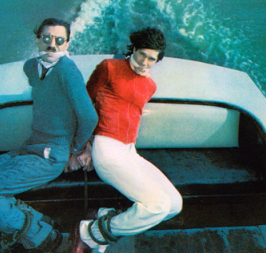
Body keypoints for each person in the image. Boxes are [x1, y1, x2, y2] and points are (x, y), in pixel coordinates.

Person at [0, 18, 98, 253]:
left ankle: (42, 236)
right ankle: (36, 220)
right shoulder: (31, 67)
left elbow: (89, 117)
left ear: (67, 43)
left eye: (59, 40)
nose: (52, 44)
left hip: (50, 156)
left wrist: (75, 150)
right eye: (46, 38)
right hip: (29, 146)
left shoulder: (67, 71)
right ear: (38, 39)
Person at [71, 28, 183, 253]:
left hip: (130, 152)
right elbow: (84, 106)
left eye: (151, 59)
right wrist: (83, 145)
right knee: (157, 206)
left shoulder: (150, 85)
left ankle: (104, 220)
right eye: (142, 55)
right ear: (134, 49)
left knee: (173, 205)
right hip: (106, 148)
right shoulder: (109, 68)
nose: (145, 63)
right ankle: (89, 233)